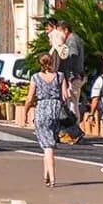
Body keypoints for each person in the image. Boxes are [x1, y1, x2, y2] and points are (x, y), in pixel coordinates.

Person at [30, 52, 65, 188]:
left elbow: (30, 97)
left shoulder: (35, 78)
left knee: (47, 147)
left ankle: (52, 177)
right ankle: (46, 175)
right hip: (55, 110)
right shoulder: (60, 76)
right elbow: (65, 95)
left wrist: (27, 110)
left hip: (42, 109)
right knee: (48, 143)